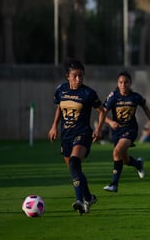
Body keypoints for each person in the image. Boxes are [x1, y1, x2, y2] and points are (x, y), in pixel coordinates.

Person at [48, 59, 106, 215]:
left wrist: (98, 129)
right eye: (75, 76)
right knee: (75, 170)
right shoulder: (61, 90)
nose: (79, 79)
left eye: (81, 76)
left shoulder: (88, 93)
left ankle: (80, 200)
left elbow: (102, 111)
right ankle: (88, 197)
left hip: (83, 134)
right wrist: (54, 126)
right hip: (66, 135)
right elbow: (59, 108)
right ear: (68, 76)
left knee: (74, 162)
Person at [103, 71, 150, 193]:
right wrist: (110, 122)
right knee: (124, 159)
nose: (123, 85)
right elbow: (103, 113)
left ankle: (114, 184)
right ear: (118, 84)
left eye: (126, 82)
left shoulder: (135, 97)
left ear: (130, 83)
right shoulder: (113, 96)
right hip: (117, 131)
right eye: (120, 82)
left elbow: (146, 108)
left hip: (130, 130)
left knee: (116, 151)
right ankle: (138, 164)